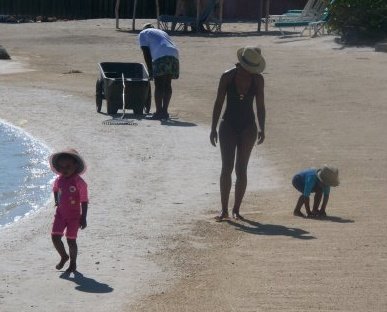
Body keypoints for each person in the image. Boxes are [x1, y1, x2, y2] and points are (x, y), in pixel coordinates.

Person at [210, 46, 266, 221]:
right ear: (240, 64)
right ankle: (224, 210)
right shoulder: (227, 76)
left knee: (241, 168)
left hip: (248, 126)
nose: (249, 72)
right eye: (247, 69)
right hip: (228, 124)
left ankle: (236, 209)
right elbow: (218, 103)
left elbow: (260, 106)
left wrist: (262, 127)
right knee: (226, 167)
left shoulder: (258, 80)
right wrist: (213, 128)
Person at [49, 148, 88, 273]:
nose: (64, 169)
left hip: (74, 217)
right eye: (61, 167)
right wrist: (56, 201)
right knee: (55, 237)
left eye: (68, 166)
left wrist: (84, 217)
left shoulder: (79, 182)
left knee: (71, 240)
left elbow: (84, 200)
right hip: (60, 214)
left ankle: (73, 263)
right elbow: (55, 189)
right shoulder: (59, 179)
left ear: (75, 165)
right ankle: (64, 256)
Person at [138, 24, 180, 120]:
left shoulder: (143, 33)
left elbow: (146, 52)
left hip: (161, 55)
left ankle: (158, 112)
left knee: (159, 85)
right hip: (174, 54)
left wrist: (150, 70)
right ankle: (164, 112)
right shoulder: (162, 32)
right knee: (167, 84)